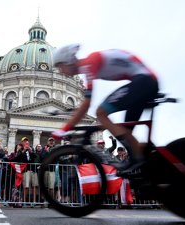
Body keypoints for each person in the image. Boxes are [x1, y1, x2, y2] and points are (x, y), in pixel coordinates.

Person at [51, 44, 159, 174]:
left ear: (68, 60)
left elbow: (86, 104)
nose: (60, 71)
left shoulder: (89, 63)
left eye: (60, 66)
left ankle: (137, 160)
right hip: (144, 81)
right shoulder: (88, 66)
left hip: (144, 80)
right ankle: (149, 162)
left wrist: (66, 128)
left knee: (101, 113)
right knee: (126, 132)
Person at [17, 137, 37, 208]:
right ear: (22, 143)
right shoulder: (21, 150)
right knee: (26, 185)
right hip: (25, 169)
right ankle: (24, 201)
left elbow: (35, 156)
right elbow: (18, 158)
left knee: (34, 185)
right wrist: (23, 151)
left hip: (33, 169)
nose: (25, 142)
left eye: (26, 141)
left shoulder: (31, 148)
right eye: (24, 141)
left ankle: (34, 201)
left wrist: (31, 152)